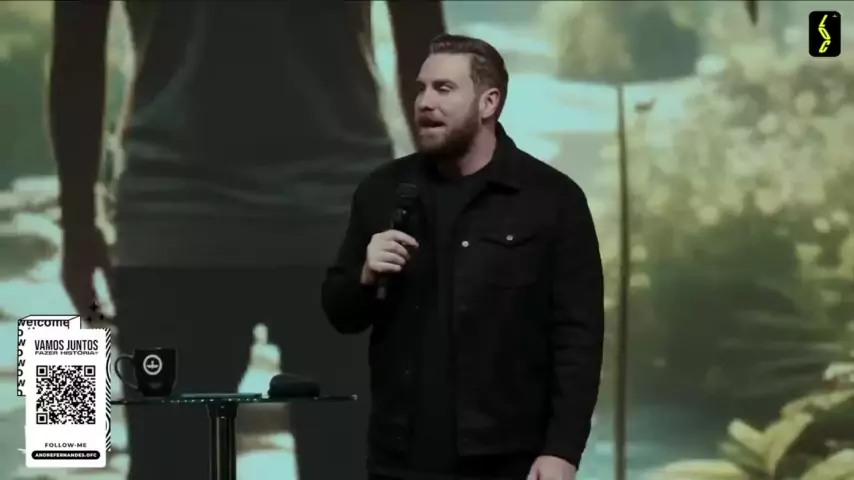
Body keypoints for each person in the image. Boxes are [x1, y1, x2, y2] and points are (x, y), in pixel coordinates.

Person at [49, 1, 445, 479]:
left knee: (172, 465)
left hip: (173, 225)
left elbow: (77, 53)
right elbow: (427, 47)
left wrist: (78, 222)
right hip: (337, 220)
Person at [322, 34, 604, 480]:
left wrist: (563, 451)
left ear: (489, 103)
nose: (425, 102)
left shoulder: (552, 199)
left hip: (508, 458)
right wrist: (365, 275)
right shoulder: (382, 190)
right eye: (421, 88)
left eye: (444, 89)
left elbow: (578, 338)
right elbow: (340, 313)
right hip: (400, 457)